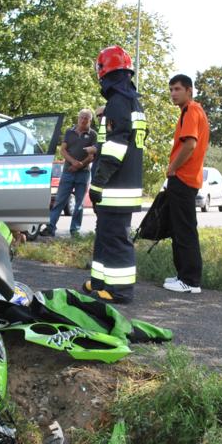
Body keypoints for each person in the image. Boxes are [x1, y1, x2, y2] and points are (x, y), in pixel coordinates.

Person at [81, 46, 146, 304]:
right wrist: (98, 148)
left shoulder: (118, 103)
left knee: (116, 239)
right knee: (105, 234)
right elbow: (129, 140)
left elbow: (118, 147)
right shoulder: (131, 101)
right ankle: (99, 282)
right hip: (123, 184)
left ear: (104, 71)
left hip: (115, 186)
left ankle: (119, 291)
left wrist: (98, 182)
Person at [162, 73, 210, 294]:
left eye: (177, 89)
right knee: (180, 228)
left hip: (183, 178)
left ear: (189, 91)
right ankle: (184, 276)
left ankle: (190, 280)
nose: (173, 93)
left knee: (185, 230)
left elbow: (190, 144)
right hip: (187, 179)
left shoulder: (191, 110)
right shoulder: (191, 111)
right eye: (171, 89)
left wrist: (172, 168)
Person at [42, 109, 96, 237]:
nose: (83, 120)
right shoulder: (69, 132)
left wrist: (80, 165)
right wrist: (73, 163)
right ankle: (50, 228)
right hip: (67, 172)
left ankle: (75, 231)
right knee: (60, 201)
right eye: (81, 117)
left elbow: (92, 154)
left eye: (86, 118)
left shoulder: (93, 135)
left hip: (83, 173)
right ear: (78, 118)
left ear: (90, 120)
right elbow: (63, 150)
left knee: (78, 204)